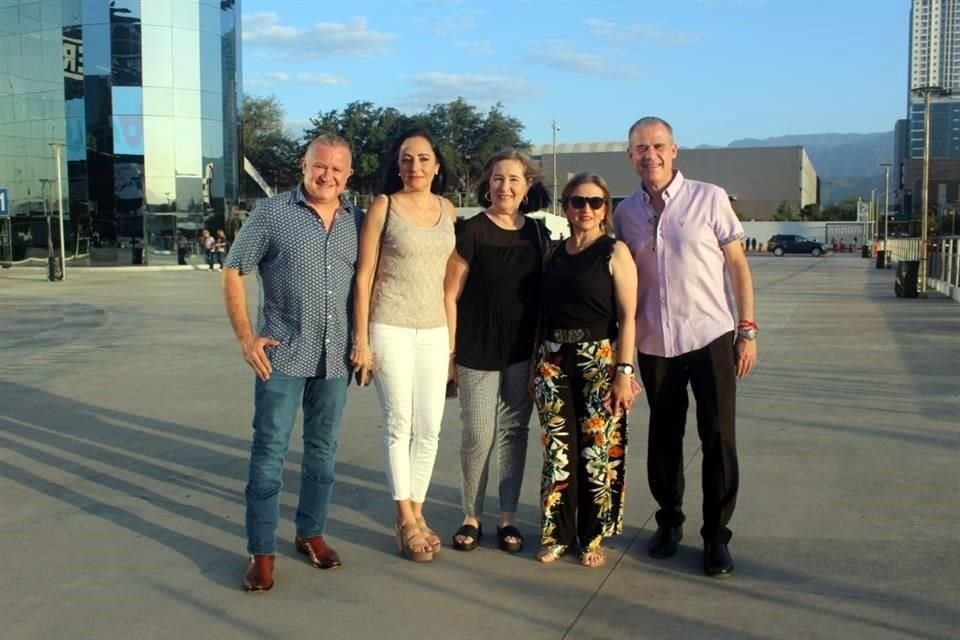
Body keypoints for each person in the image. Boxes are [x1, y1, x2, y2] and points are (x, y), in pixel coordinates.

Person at [613, 116, 757, 578]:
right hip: (655, 341)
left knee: (717, 436)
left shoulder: (708, 198)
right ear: (630, 156)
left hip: (709, 336)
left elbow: (737, 266)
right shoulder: (625, 213)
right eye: (640, 148)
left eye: (657, 146)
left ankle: (716, 536)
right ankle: (668, 522)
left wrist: (746, 329)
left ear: (674, 150)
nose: (649, 154)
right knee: (664, 436)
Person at [223, 134, 362, 592]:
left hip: (334, 357)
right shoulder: (272, 213)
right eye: (319, 166)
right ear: (303, 165)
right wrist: (247, 338)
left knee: (323, 453)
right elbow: (234, 269)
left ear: (348, 175)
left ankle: (311, 532)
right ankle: (261, 550)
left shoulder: (355, 221)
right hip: (281, 355)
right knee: (269, 454)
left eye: (336, 170)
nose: (327, 176)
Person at [351, 129, 456, 563]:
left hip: (435, 331)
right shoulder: (384, 206)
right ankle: (405, 519)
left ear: (436, 166)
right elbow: (364, 274)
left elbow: (451, 280)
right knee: (400, 424)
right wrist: (361, 339)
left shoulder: (448, 209)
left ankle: (418, 508)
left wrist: (452, 343)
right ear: (397, 165)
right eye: (407, 159)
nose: (415, 166)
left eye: (424, 158)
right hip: (389, 326)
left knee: (430, 428)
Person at [443, 149, 551, 554]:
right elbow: (450, 294)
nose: (504, 187)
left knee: (514, 433)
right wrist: (451, 353)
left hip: (522, 352)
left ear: (527, 187)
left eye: (514, 179)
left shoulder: (537, 234)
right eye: (497, 179)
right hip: (476, 350)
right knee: (478, 433)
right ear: (487, 184)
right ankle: (471, 515)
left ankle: (508, 518)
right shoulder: (471, 230)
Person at [534, 172, 638, 568]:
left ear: (605, 209)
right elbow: (542, 315)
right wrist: (535, 366)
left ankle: (592, 536)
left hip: (600, 360)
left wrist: (624, 371)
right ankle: (556, 534)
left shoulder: (615, 252)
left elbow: (629, 317)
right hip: (552, 359)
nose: (586, 210)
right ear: (566, 208)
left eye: (595, 202)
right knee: (558, 453)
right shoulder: (553, 254)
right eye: (578, 201)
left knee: (597, 453)